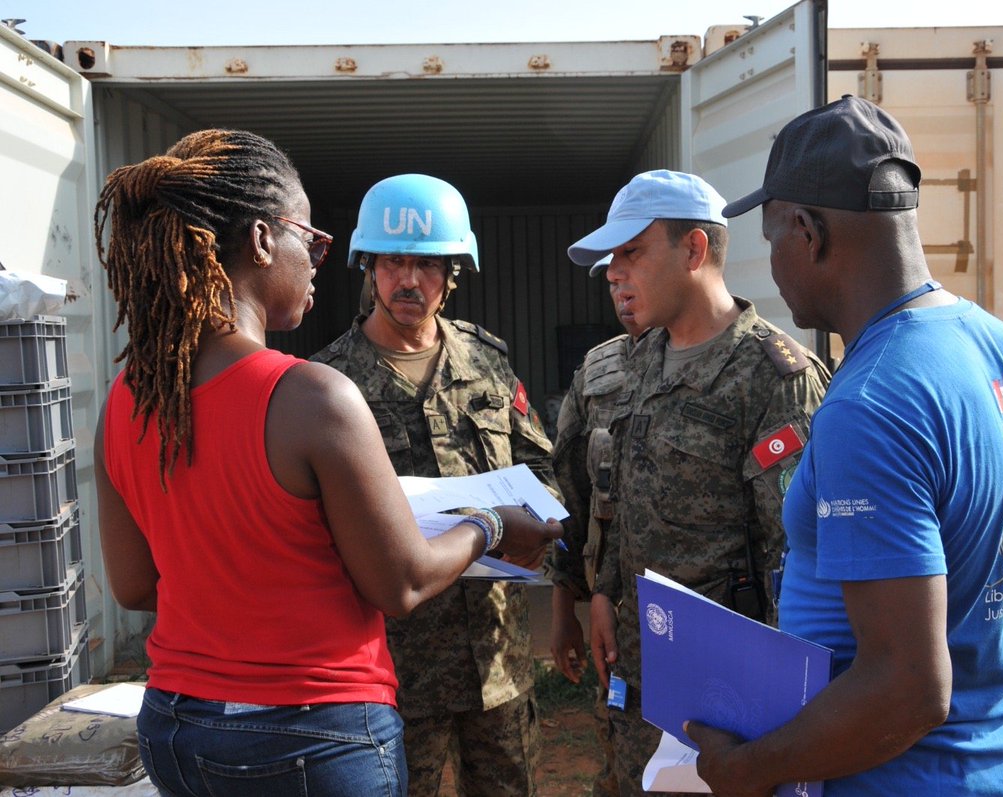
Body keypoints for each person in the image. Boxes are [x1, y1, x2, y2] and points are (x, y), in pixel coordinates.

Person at [91, 130, 561, 797]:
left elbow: (136, 584)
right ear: (260, 241)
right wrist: (488, 521)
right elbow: (399, 582)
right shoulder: (313, 393)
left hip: (180, 725)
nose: (315, 261)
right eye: (308, 240)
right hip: (314, 732)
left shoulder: (129, 396)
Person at [685, 95, 1003, 795]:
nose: (770, 265)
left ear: (807, 231)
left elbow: (908, 689)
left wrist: (749, 769)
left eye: (772, 238)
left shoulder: (872, 403)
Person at [566, 169, 831, 796]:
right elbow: (617, 497)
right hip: (635, 676)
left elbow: (795, 557)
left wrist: (781, 710)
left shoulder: (774, 378)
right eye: (612, 257)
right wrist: (601, 591)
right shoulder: (629, 365)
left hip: (726, 697)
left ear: (694, 250)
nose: (614, 271)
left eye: (632, 252)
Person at [312, 173, 561, 797]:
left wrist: (544, 531)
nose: (409, 281)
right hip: (390, 670)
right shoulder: (324, 384)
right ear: (368, 268)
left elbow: (540, 468)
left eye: (428, 264)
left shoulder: (487, 361)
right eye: (394, 261)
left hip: (497, 661)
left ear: (453, 273)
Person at [547, 254, 645, 797]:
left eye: (632, 263)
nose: (615, 281)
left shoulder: (759, 366)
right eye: (609, 271)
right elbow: (575, 506)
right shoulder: (598, 373)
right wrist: (566, 611)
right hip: (619, 631)